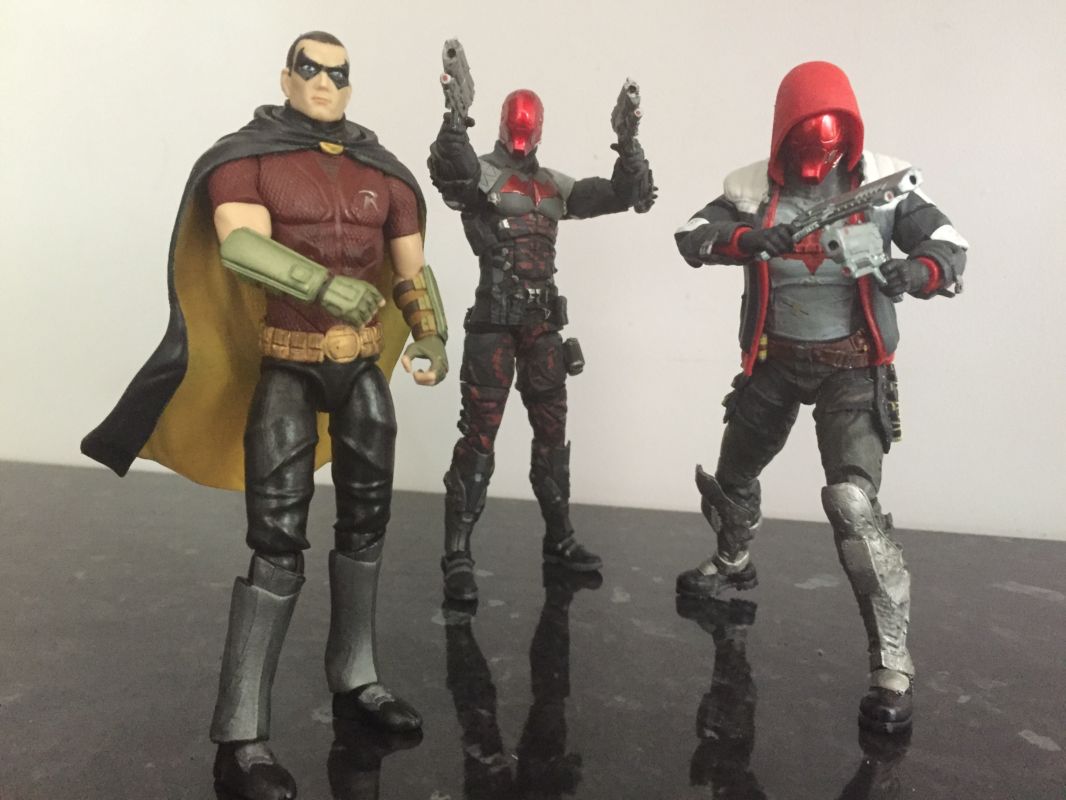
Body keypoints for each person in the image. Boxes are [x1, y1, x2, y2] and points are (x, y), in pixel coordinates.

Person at [82, 31, 447, 800]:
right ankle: (242, 731)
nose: (324, 82)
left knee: (368, 523)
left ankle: (357, 676)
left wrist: (431, 333)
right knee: (276, 539)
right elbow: (242, 247)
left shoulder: (384, 171)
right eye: (310, 69)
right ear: (287, 76)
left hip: (360, 372)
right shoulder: (247, 158)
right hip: (288, 363)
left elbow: (411, 268)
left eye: (338, 73)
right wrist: (322, 286)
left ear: (350, 85)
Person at [673, 61, 967, 734]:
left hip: (852, 368)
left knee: (854, 506)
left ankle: (891, 661)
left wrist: (915, 271)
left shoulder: (885, 185)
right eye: (803, 146)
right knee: (732, 477)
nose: (815, 162)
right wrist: (747, 238)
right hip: (774, 361)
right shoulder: (750, 188)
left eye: (826, 148)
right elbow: (691, 234)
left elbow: (949, 244)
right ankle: (732, 559)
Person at [427, 87, 655, 601]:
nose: (521, 136)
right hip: (493, 324)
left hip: (542, 325)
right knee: (479, 437)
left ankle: (560, 539)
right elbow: (451, 171)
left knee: (553, 435)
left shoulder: (554, 185)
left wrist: (629, 143)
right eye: (516, 126)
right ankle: (458, 553)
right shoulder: (482, 175)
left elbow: (621, 194)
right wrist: (455, 119)